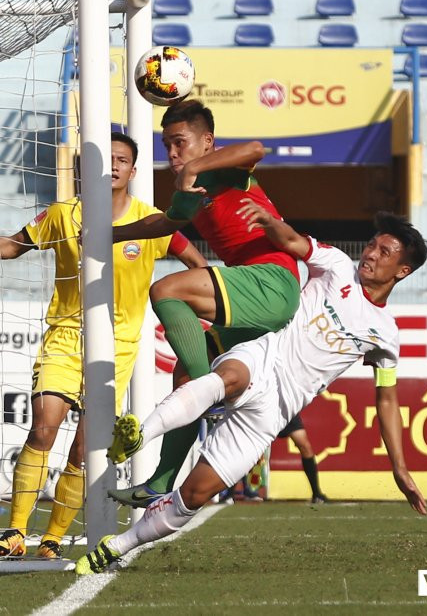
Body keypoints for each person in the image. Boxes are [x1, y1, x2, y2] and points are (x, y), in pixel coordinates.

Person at [78, 207, 427, 574]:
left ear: (402, 270)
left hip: (275, 410)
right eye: (371, 245)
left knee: (195, 495)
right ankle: (140, 435)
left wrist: (399, 469)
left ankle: (116, 546)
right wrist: (269, 222)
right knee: (228, 377)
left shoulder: (385, 334)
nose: (371, 254)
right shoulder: (338, 266)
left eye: (384, 252)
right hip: (262, 357)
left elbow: (386, 401)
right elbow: (294, 241)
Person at [0, 132, 205, 559]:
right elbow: (13, 246)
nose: (113, 166)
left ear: (133, 169)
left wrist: (197, 310)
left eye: (122, 159)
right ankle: (15, 532)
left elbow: (195, 263)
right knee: (43, 427)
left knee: (84, 448)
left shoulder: (151, 220)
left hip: (118, 346)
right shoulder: (63, 214)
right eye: (106, 159)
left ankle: (53, 538)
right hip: (66, 335)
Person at [108, 99, 302, 508]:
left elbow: (256, 148)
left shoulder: (224, 169)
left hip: (272, 281)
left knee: (165, 290)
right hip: (253, 295)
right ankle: (159, 483)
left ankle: (208, 395)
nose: (172, 153)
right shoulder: (188, 189)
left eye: (180, 142)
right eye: (167, 145)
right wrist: (113, 233)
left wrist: (194, 167)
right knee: (183, 376)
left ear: (207, 142)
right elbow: (165, 223)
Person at [278, 413, 329, 504]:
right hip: (264, 409)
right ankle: (252, 490)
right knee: (258, 446)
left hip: (285, 410)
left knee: (305, 446)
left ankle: (316, 493)